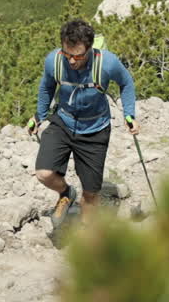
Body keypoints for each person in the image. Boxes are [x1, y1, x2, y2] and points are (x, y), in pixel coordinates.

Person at [28, 18, 137, 222]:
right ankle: (67, 192)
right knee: (44, 173)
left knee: (91, 194)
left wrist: (129, 114)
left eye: (77, 56)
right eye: (67, 54)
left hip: (96, 129)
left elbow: (126, 83)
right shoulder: (54, 60)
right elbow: (47, 87)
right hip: (63, 121)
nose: (71, 61)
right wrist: (39, 115)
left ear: (89, 49)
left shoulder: (107, 62)